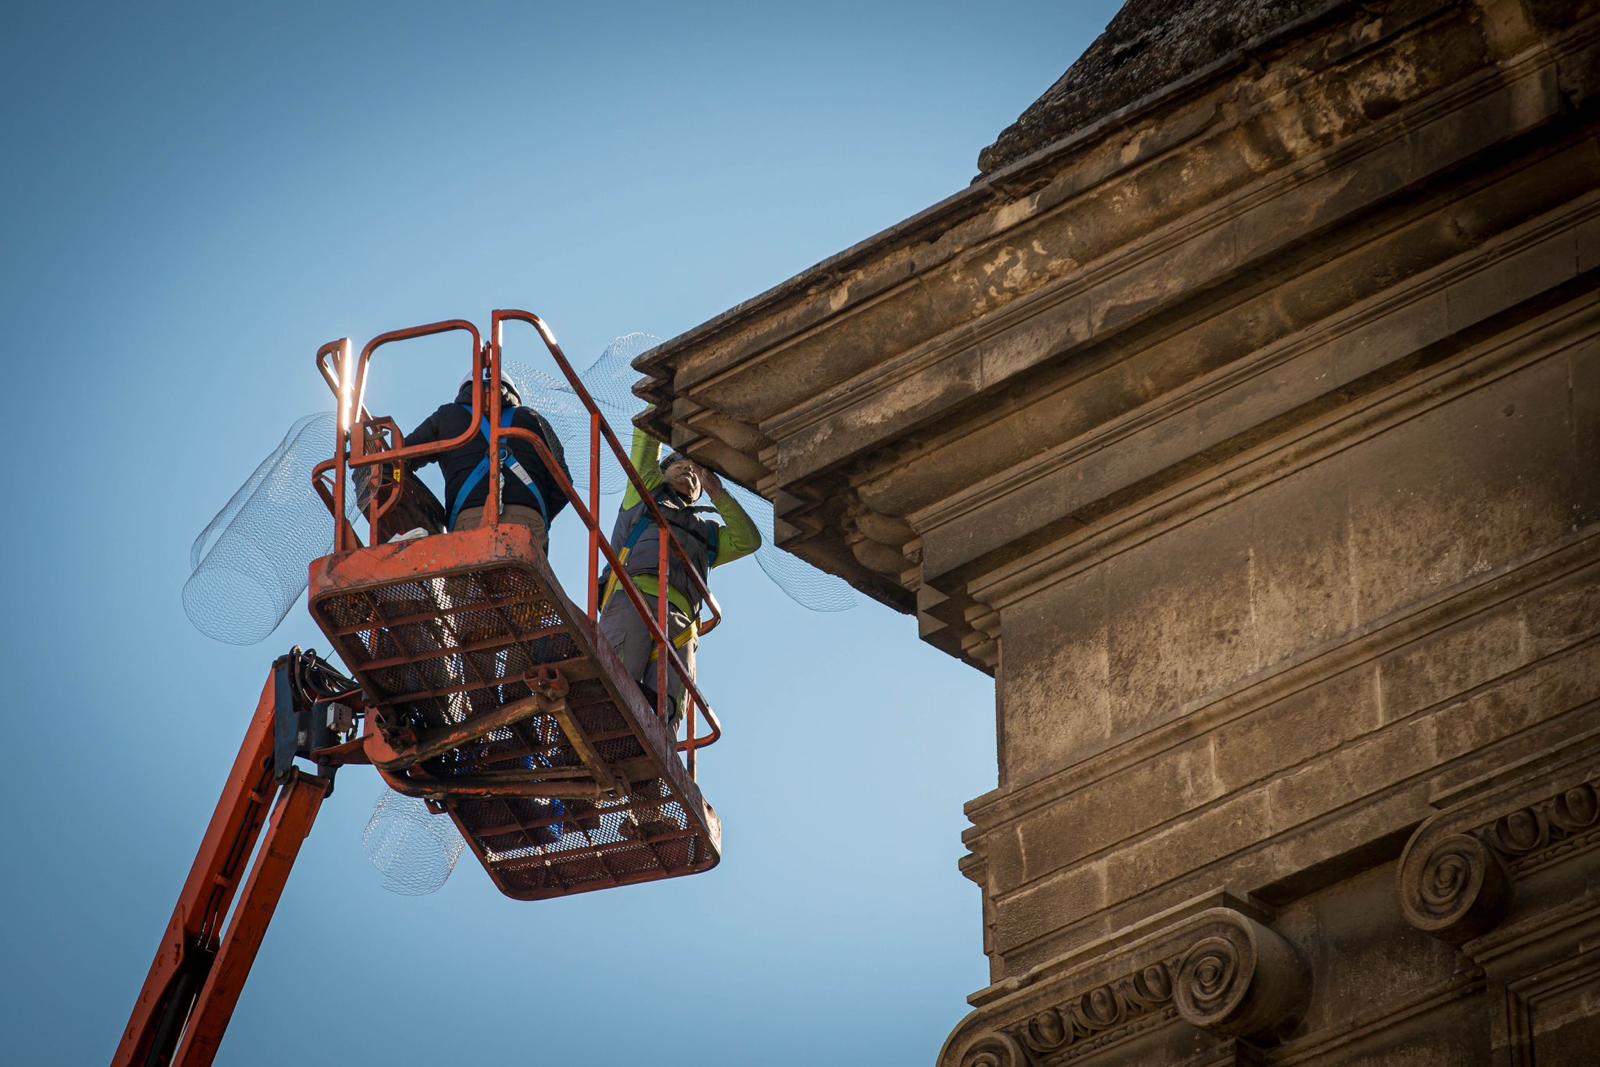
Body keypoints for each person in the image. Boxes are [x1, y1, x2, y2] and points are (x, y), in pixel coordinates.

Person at [598, 427, 761, 736]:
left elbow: (748, 540)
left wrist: (717, 491)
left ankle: (652, 759)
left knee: (667, 714)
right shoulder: (644, 495)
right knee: (614, 687)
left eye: (696, 471)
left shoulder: (708, 534)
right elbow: (645, 442)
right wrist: (663, 409)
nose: (688, 469)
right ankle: (604, 740)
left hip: (681, 625)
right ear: (662, 473)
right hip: (633, 600)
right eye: (678, 463)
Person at [404, 369, 571, 548]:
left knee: (471, 567)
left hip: (469, 522)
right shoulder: (533, 418)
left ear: (466, 389)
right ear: (512, 391)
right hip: (526, 523)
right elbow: (563, 484)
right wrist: (535, 511)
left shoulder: (447, 416)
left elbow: (404, 456)